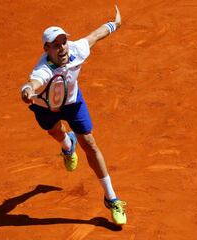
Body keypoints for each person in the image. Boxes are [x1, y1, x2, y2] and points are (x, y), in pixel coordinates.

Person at [20, 6, 127, 225]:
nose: (62, 48)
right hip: (45, 107)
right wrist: (27, 92)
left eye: (63, 42)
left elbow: (96, 36)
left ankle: (111, 197)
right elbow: (33, 84)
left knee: (90, 144)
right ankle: (68, 146)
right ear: (47, 49)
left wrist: (114, 24)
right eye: (56, 45)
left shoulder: (76, 49)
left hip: (73, 103)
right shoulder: (43, 70)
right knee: (56, 132)